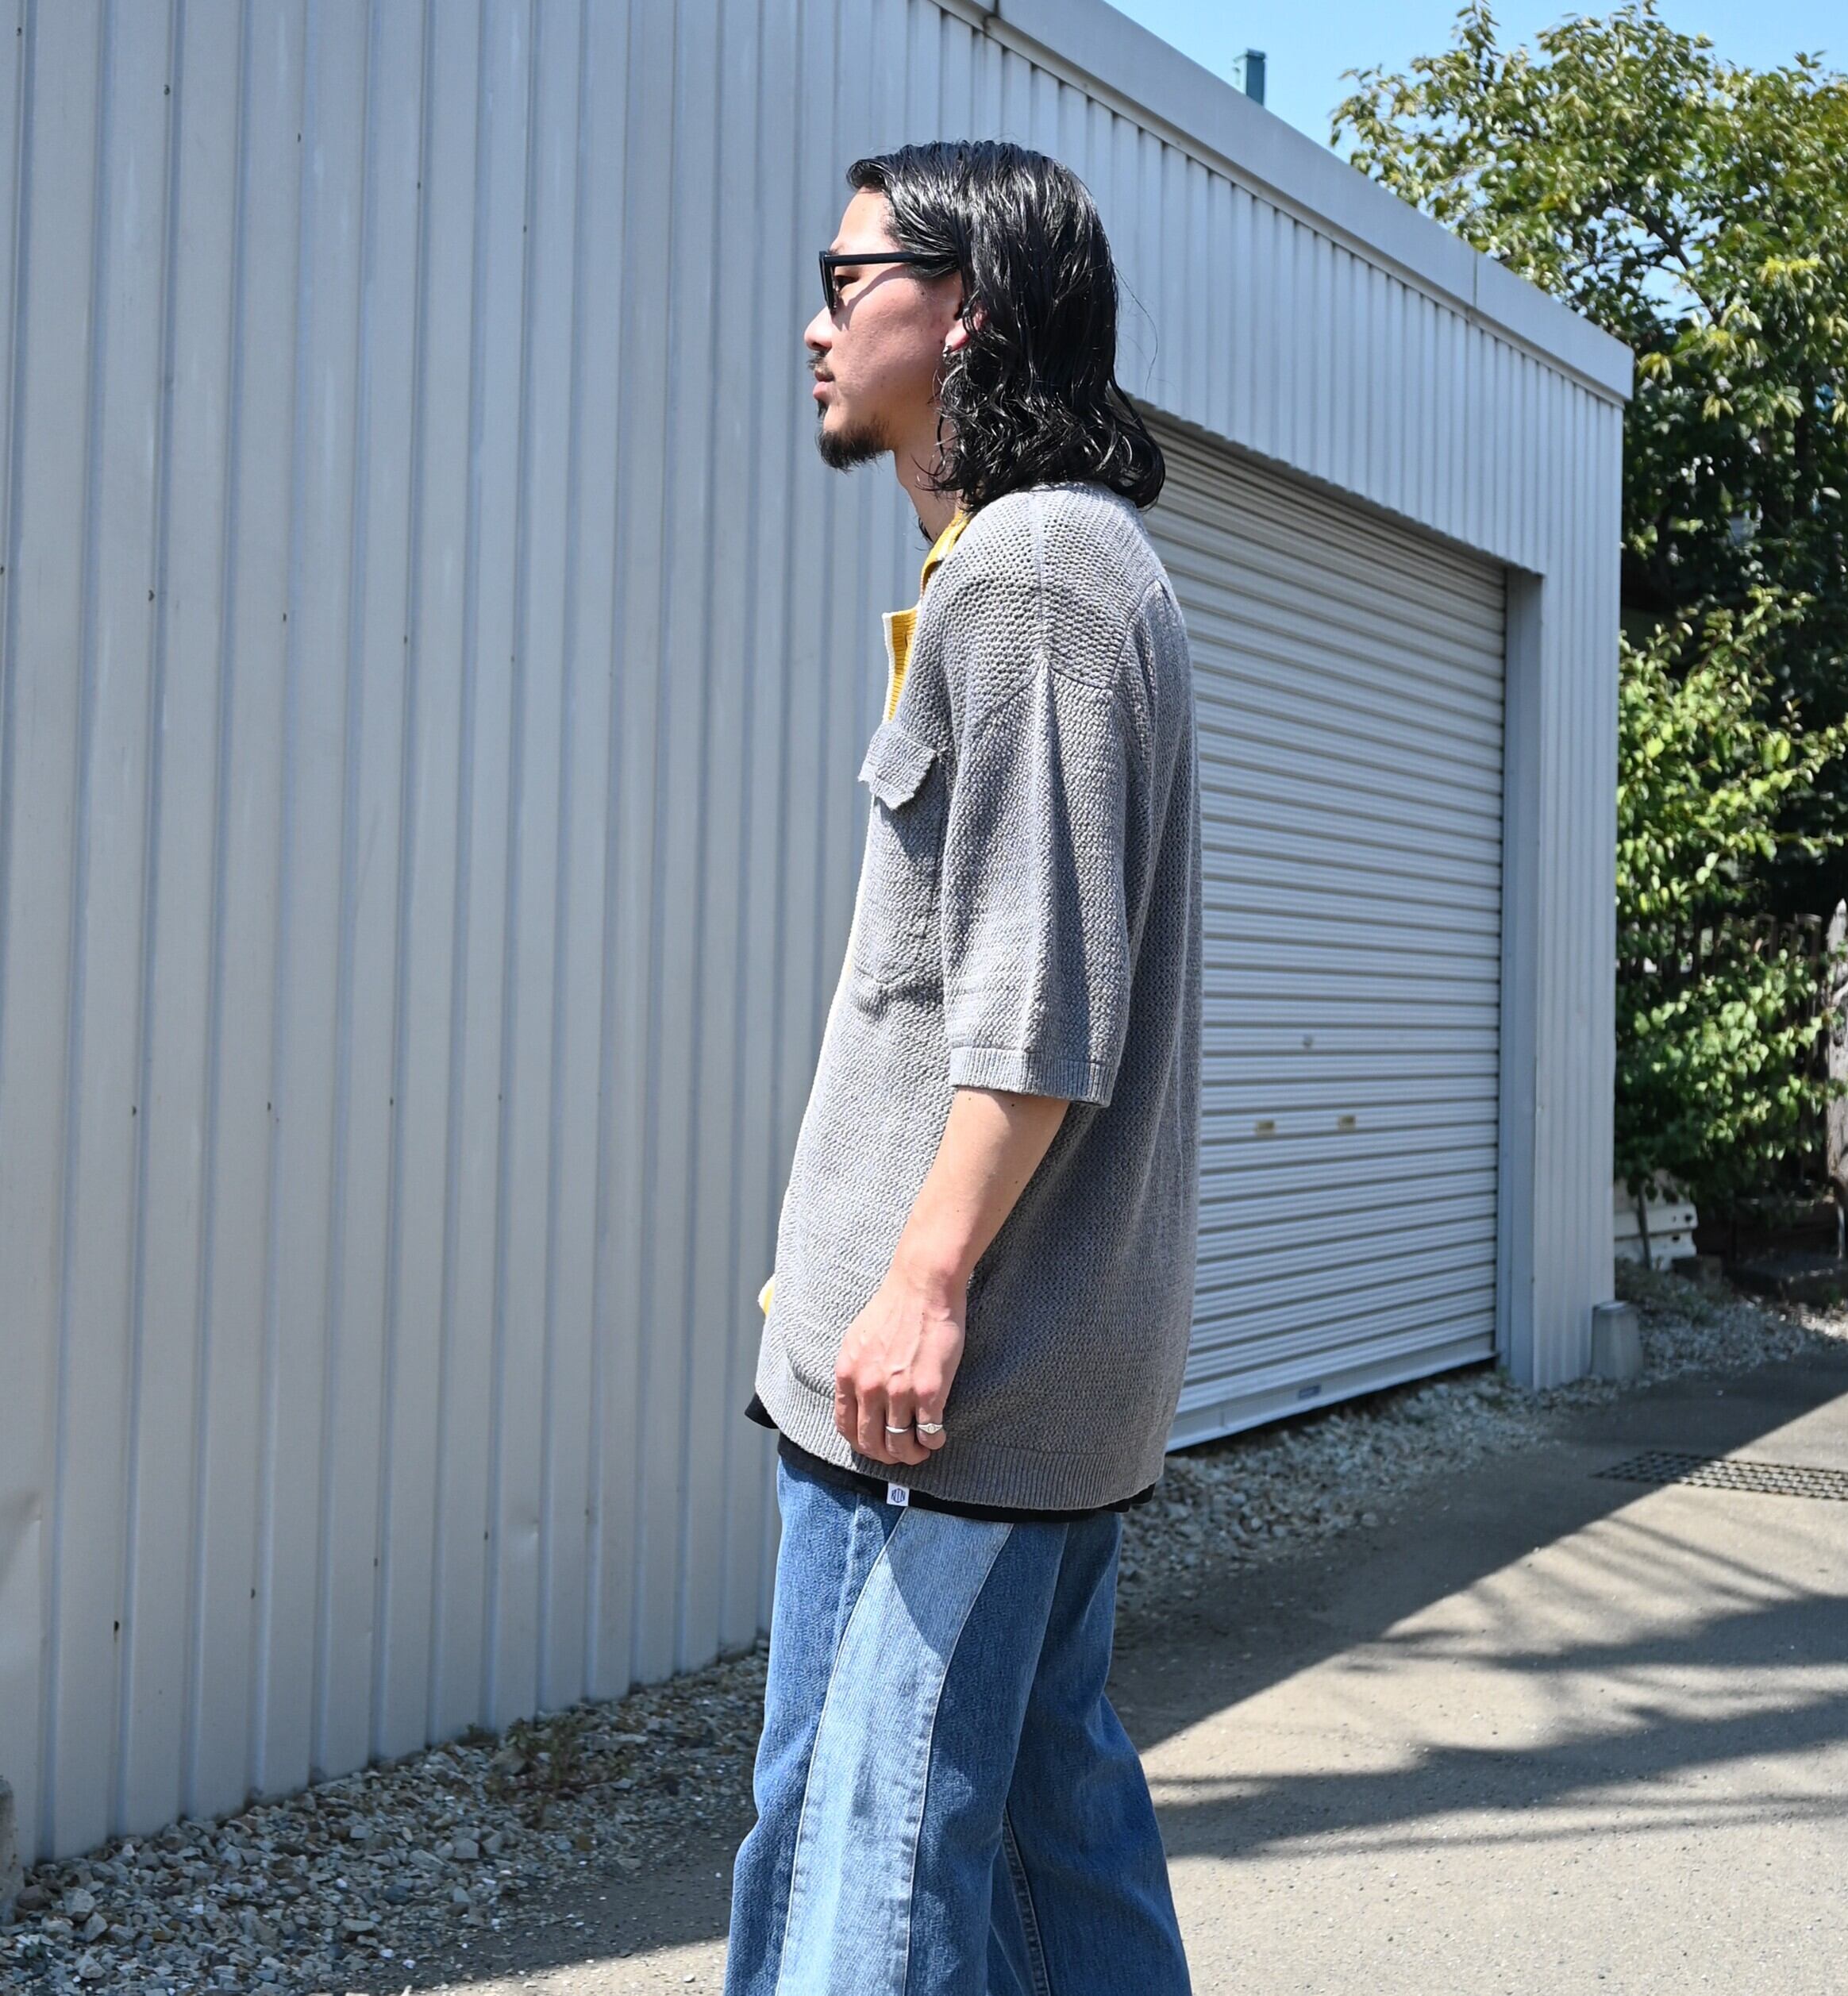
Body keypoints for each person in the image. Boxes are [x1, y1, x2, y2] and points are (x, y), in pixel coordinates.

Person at [722, 138, 1203, 1996]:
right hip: (981, 1382)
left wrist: (922, 1290)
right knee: (1035, 1835)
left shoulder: (1040, 573)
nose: (816, 325)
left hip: (949, 1400)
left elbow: (1036, 1003)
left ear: (969, 309)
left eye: (849, 283)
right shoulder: (1026, 565)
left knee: (872, 1851)